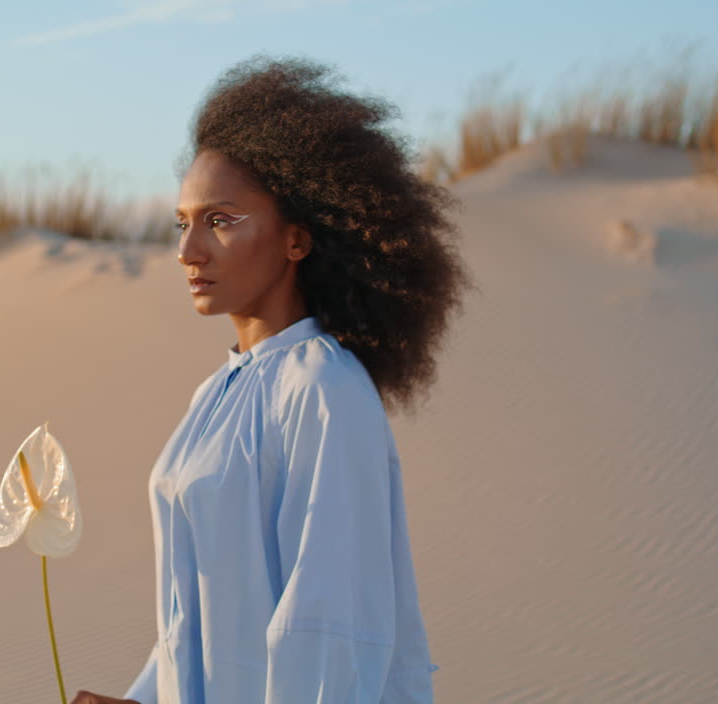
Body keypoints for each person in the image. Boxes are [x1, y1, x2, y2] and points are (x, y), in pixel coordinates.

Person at [72, 56, 472, 704]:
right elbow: (195, 622)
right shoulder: (220, 393)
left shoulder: (322, 391)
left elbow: (328, 632)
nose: (188, 250)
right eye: (183, 222)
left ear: (297, 239)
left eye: (221, 221)